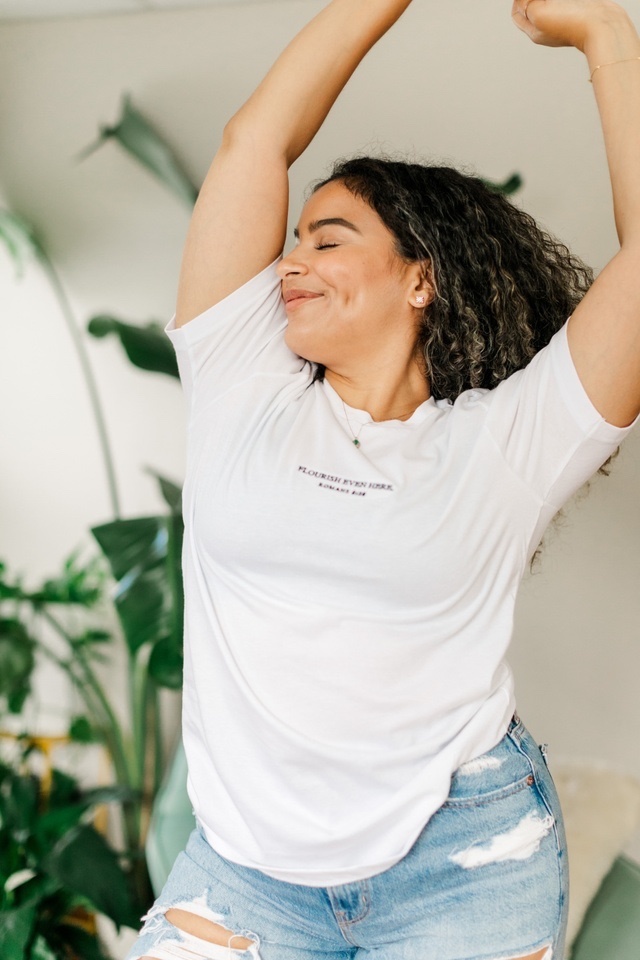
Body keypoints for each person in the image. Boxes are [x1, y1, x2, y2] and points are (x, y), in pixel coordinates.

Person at [126, 1, 640, 958]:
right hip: (245, 871)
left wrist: (606, 36)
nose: (291, 263)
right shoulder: (240, 381)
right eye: (296, 241)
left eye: (327, 240)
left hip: (466, 863)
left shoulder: (507, 442)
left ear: (420, 279)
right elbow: (256, 140)